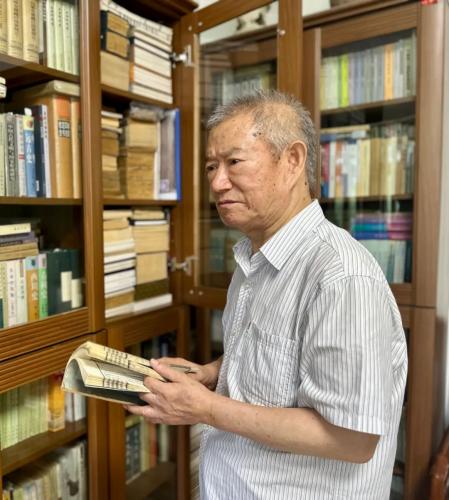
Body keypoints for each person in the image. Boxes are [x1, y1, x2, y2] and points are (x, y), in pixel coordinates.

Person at [126, 90, 407, 499]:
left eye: (234, 162)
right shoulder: (253, 257)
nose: (217, 183)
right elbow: (278, 355)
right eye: (211, 166)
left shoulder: (341, 276)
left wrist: (205, 407)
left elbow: (353, 438)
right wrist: (211, 374)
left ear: (292, 161)